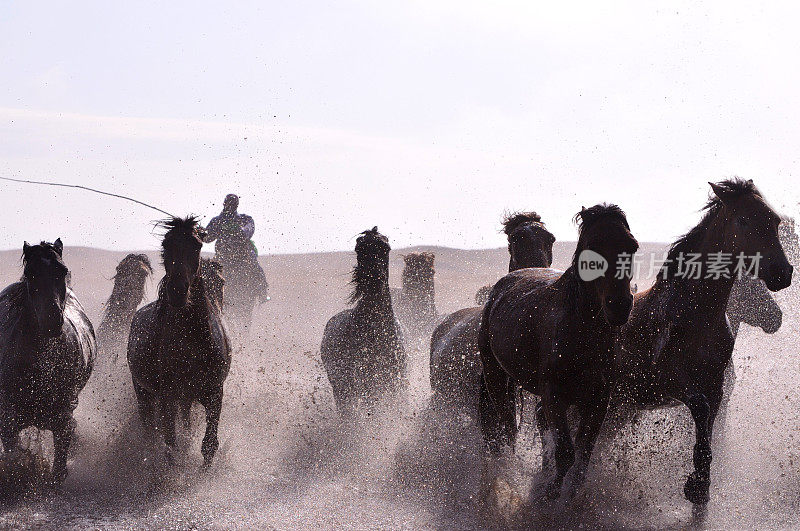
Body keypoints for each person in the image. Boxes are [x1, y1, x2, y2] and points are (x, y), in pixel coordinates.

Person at [205, 194, 269, 304]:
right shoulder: (217, 221)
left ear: (237, 205)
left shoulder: (245, 219)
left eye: (233, 204)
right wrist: (199, 232)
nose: (230, 206)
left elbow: (248, 232)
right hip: (222, 257)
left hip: (243, 257)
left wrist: (238, 229)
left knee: (256, 268)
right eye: (229, 204)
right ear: (224, 204)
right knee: (206, 273)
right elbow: (207, 238)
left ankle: (262, 293)